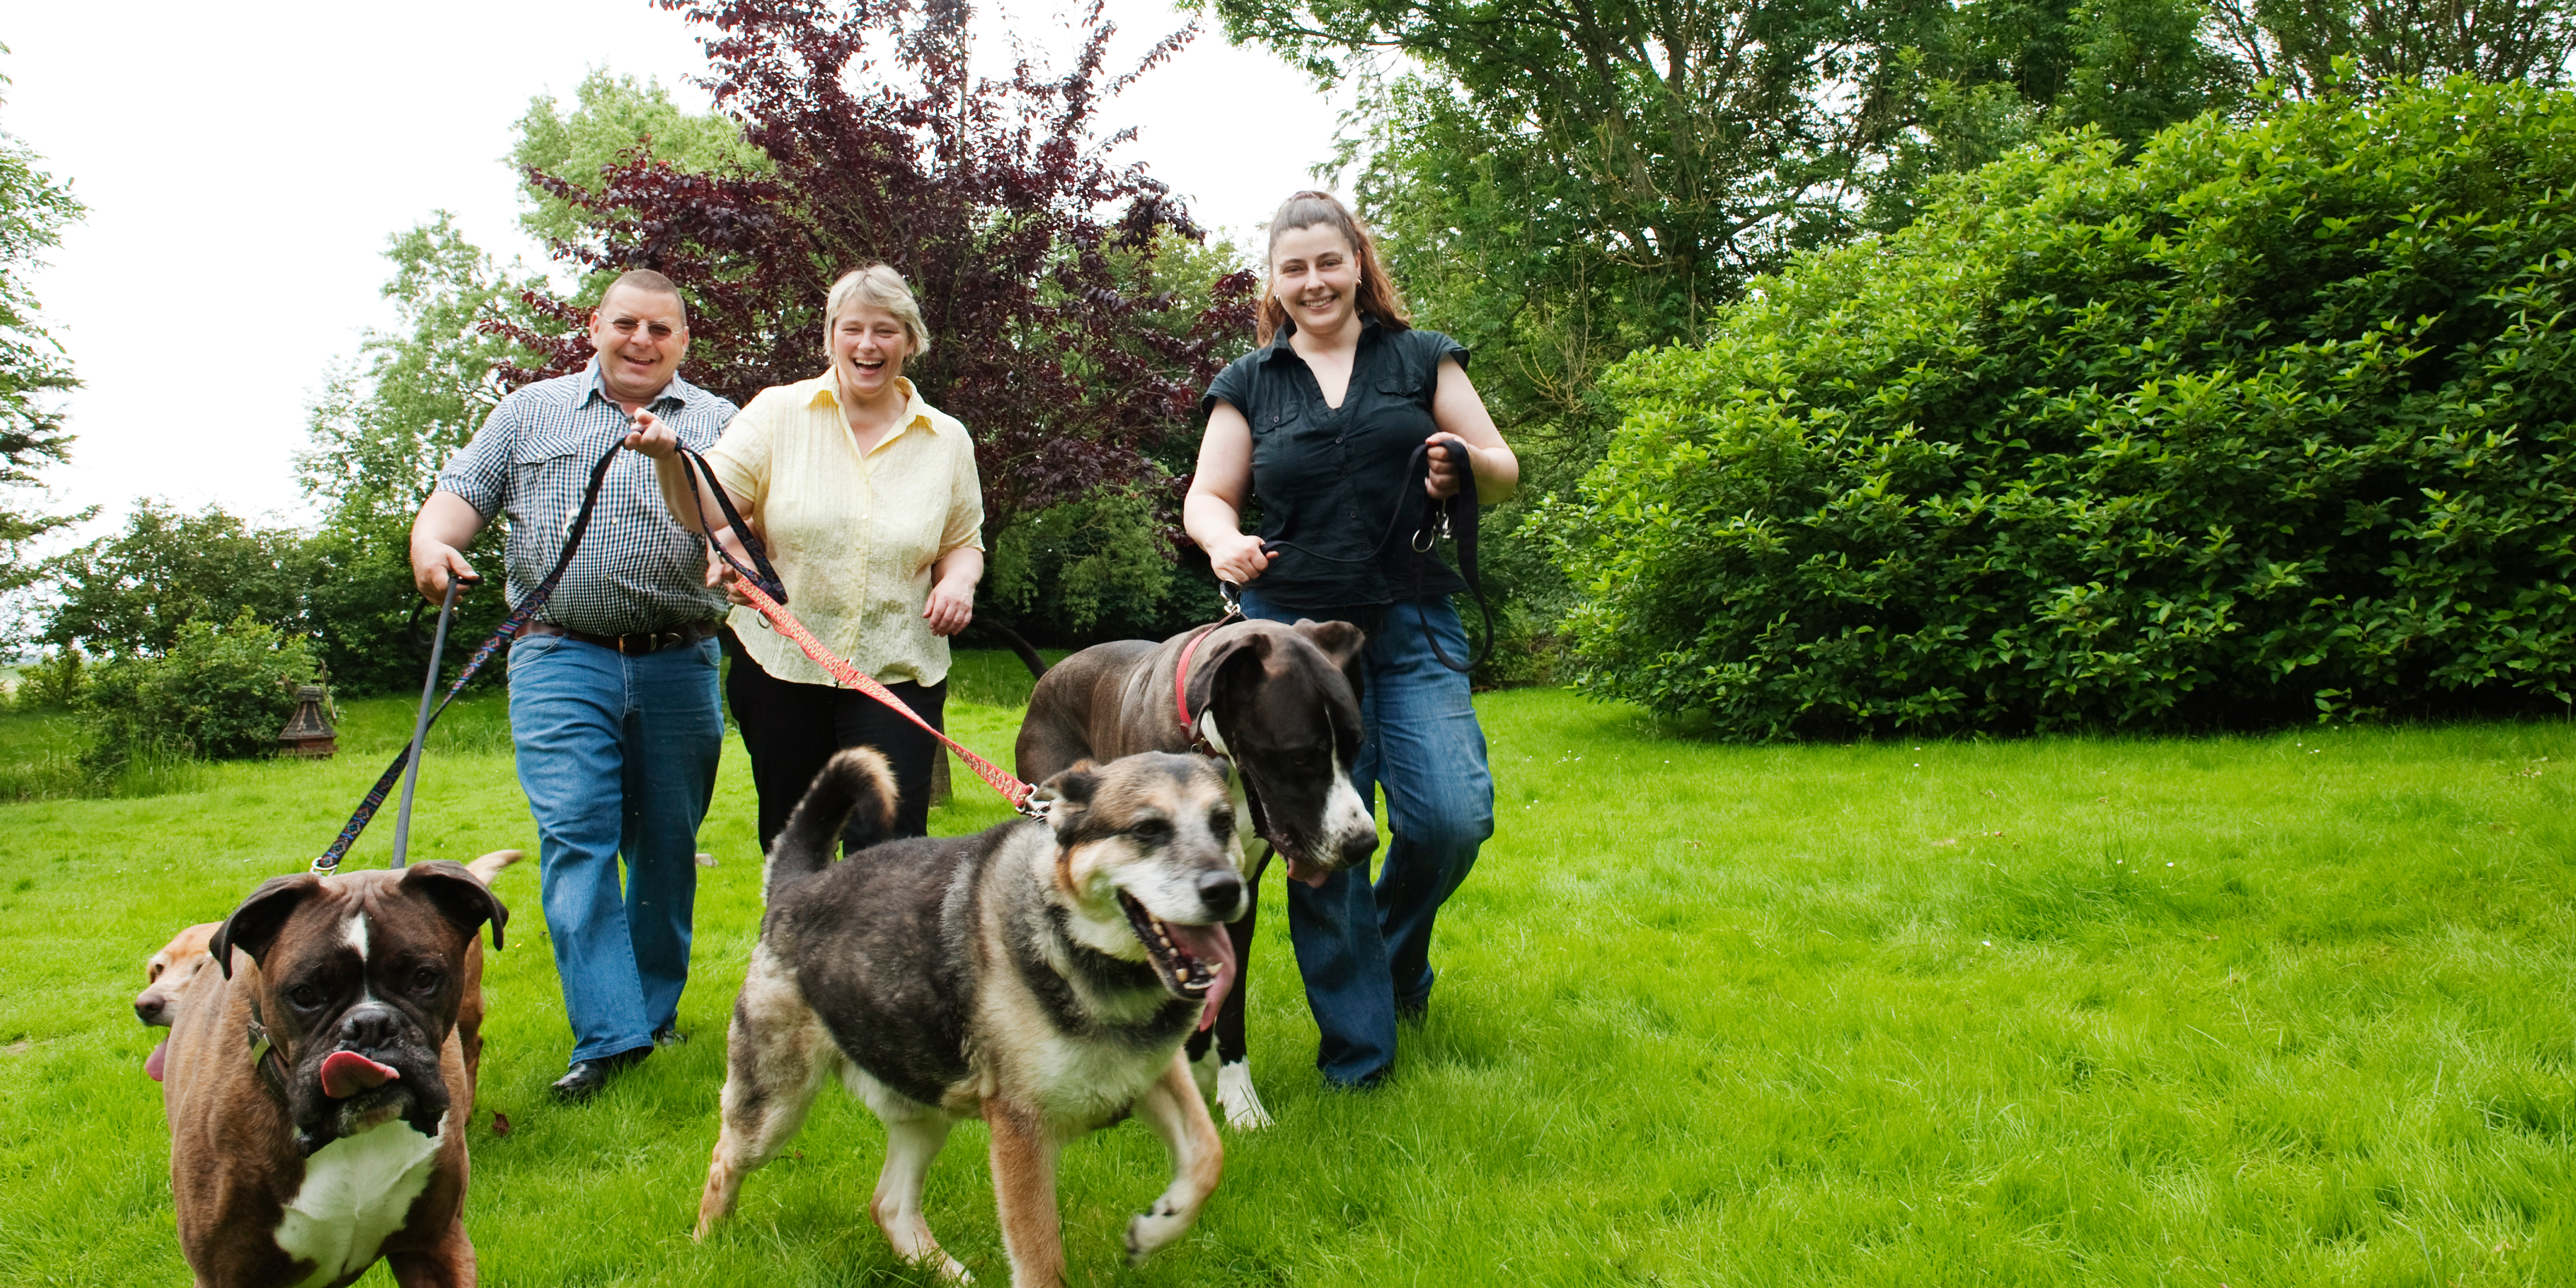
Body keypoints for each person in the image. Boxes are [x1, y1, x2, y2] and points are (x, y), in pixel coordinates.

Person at [1182, 190, 1520, 1088]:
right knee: (1318, 851)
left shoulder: (1420, 359)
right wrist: (1224, 542)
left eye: (1327, 261)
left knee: (1452, 818)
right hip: (1287, 645)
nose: (1312, 280)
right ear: (1275, 280)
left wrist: (1461, 461)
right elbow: (1208, 496)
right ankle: (1360, 1065)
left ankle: (1397, 957)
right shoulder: (1249, 382)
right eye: (1292, 267)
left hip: (1408, 624)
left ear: (1358, 263)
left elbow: (1503, 470)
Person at [411, 269, 736, 1103]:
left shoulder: (720, 422)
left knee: (666, 846)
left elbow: (745, 524)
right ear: (595, 326)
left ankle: (653, 1016)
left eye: (661, 329)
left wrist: (732, 554)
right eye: (626, 323)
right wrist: (434, 550)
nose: (642, 340)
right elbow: (456, 499)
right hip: (559, 654)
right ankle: (611, 1037)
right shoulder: (530, 411)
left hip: (680, 654)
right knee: (577, 835)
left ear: (684, 340)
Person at [627, 263, 985, 850]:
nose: (867, 345)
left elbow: (961, 543)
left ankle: (877, 947)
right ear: (830, 337)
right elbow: (707, 509)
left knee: (889, 862)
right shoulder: (777, 413)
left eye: (885, 330)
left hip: (896, 673)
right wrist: (669, 457)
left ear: (910, 341)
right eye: (852, 329)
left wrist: (958, 584)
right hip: (782, 668)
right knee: (795, 851)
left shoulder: (946, 439)